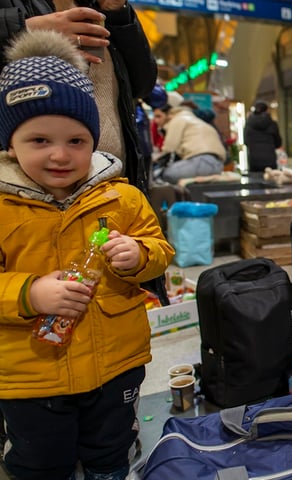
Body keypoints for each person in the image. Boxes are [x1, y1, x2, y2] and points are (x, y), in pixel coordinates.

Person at [0, 30, 174, 480]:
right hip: (31, 376)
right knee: (42, 459)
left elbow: (160, 250)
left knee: (111, 448)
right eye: (39, 140)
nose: (60, 155)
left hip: (117, 362)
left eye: (76, 141)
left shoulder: (122, 197)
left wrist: (138, 255)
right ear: (10, 144)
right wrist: (29, 292)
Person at [0, 0, 159, 195]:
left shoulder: (95, 6)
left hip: (110, 190)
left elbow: (142, 84)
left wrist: (118, 14)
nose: (60, 156)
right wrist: (26, 28)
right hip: (24, 197)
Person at [154, 102, 227, 184]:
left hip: (200, 162)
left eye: (159, 116)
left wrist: (154, 161)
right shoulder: (194, 120)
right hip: (218, 165)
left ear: (168, 114)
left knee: (163, 174)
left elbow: (169, 149)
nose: (156, 120)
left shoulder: (177, 120)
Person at [244, 99, 284, 175]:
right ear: (267, 110)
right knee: (271, 181)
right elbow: (278, 143)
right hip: (270, 160)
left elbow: (246, 141)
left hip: (254, 160)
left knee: (254, 182)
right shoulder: (272, 123)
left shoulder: (249, 124)